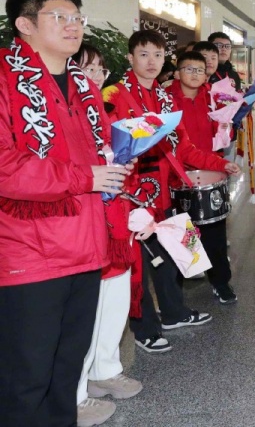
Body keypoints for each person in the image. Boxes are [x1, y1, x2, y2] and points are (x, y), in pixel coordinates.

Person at [0, 0, 133, 427]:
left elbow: (97, 154)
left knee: (66, 372)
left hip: (86, 247)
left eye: (77, 17)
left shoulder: (83, 86)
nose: (73, 25)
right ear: (25, 24)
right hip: (29, 254)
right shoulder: (5, 78)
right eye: (59, 17)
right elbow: (5, 166)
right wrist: (86, 177)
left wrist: (117, 163)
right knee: (26, 378)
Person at [103, 30, 240, 354]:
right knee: (138, 266)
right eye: (144, 54)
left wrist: (220, 163)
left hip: (167, 189)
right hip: (131, 195)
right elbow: (107, 147)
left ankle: (175, 312)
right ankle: (144, 328)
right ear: (130, 58)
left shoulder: (165, 100)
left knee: (175, 255)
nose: (151, 62)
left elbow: (185, 148)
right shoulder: (114, 95)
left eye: (158, 55)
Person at [72, 44, 142, 426]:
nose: (96, 77)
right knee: (83, 314)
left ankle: (105, 370)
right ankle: (75, 393)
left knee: (113, 302)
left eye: (100, 70)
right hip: (85, 227)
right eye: (87, 69)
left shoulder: (106, 112)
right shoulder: (67, 115)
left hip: (116, 222)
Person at [166, 51, 237, 304]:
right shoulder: (166, 100)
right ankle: (180, 288)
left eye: (199, 70)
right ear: (177, 73)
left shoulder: (215, 98)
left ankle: (220, 282)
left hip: (211, 171)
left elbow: (226, 133)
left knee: (215, 230)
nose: (195, 74)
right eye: (189, 69)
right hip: (178, 174)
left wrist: (227, 127)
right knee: (183, 231)